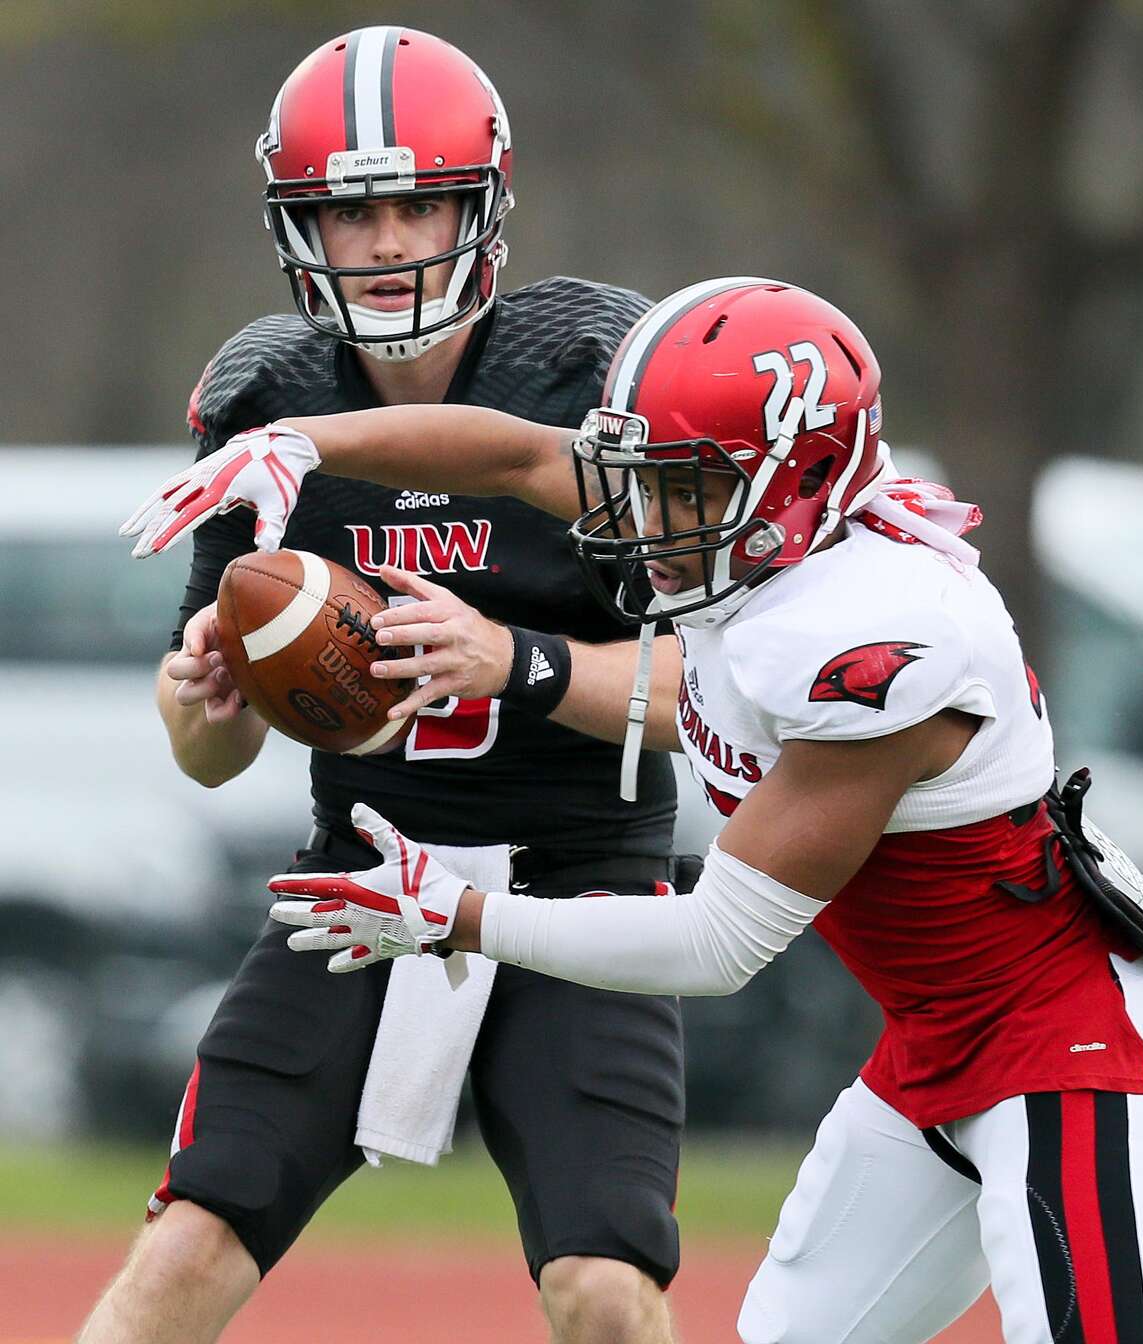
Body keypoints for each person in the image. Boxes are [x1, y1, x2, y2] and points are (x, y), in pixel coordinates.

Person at [124, 277, 1143, 1344]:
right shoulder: (757, 564)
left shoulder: (874, 642)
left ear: (793, 487)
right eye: (640, 475)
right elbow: (514, 454)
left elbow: (719, 939)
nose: (639, 513)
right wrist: (304, 442)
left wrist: (460, 916)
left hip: (1073, 1047)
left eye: (678, 487)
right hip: (936, 1046)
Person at [90, 28, 691, 1344]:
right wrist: (202, 698)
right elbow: (207, 755)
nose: (384, 240)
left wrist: (519, 664)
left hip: (580, 886)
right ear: (298, 224)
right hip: (358, 880)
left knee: (604, 1289)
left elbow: (711, 694)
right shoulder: (264, 392)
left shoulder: (601, 377)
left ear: (482, 204)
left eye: (417, 200)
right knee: (177, 1259)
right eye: (351, 208)